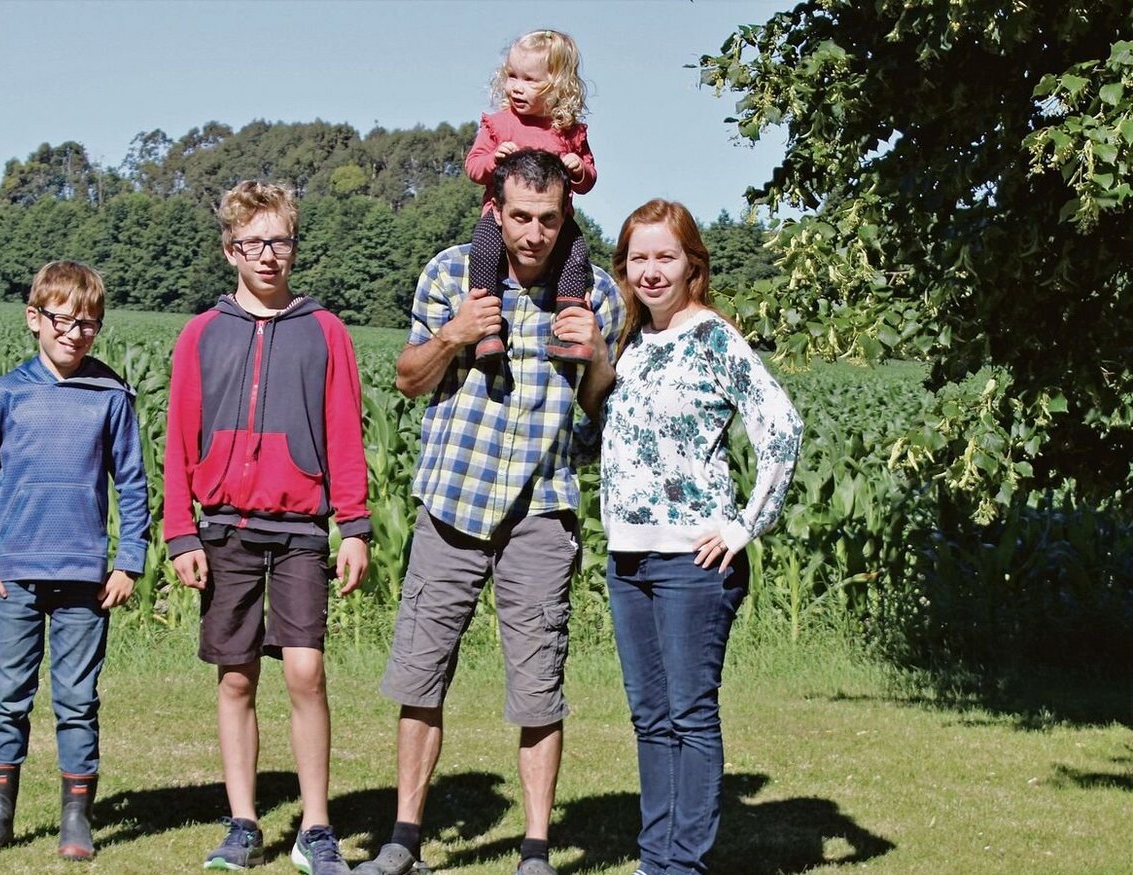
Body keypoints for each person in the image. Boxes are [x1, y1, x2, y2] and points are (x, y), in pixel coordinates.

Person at [355, 149, 624, 875]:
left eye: (548, 219)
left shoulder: (594, 294)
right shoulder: (450, 273)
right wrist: (454, 334)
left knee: (539, 686)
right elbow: (408, 379)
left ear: (566, 216)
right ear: (496, 212)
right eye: (520, 218)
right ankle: (404, 838)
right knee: (419, 675)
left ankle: (535, 849)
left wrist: (598, 360)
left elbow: (599, 420)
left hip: (543, 506)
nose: (533, 234)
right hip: (453, 499)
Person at [164, 181, 372, 875]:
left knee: (307, 671)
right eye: (252, 242)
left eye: (279, 240)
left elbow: (345, 432)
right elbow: (178, 440)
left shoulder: (325, 330)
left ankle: (316, 825)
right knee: (236, 679)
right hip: (224, 525)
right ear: (230, 250)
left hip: (302, 531)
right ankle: (244, 821)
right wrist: (181, 533)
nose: (267, 254)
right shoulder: (200, 334)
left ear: (294, 245)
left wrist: (356, 524)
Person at [599, 199, 803, 875]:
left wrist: (745, 524)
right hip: (628, 557)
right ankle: (655, 855)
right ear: (624, 268)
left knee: (689, 715)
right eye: (639, 258)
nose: (651, 271)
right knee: (650, 718)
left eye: (665, 257)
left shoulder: (715, 338)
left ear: (693, 264)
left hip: (693, 559)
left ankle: (681, 863)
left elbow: (783, 428)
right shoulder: (632, 341)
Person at [0, 260, 150, 861]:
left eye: (90, 323)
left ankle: (76, 820)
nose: (76, 332)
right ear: (35, 319)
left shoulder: (111, 396)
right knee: (10, 697)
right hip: (12, 578)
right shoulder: (4, 395)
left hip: (87, 579)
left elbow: (133, 486)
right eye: (63, 319)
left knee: (77, 701)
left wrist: (128, 561)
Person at [464, 28, 597, 364]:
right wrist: (494, 161)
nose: (516, 87)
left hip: (557, 223)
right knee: (483, 253)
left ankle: (566, 330)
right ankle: (487, 330)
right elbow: (473, 167)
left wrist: (577, 167)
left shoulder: (568, 131)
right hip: (498, 221)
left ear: (557, 87)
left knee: (576, 256)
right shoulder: (498, 125)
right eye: (512, 76)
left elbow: (588, 179)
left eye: (530, 80)